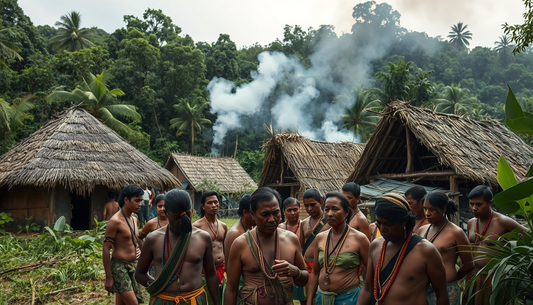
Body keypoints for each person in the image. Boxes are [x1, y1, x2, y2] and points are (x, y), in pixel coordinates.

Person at [356, 193, 449, 305]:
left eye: (388, 224)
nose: (382, 229)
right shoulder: (376, 246)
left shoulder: (426, 251)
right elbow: (367, 288)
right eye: (378, 223)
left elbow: (442, 295)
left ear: (404, 221)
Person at [135, 189, 221, 305]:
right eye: (176, 217)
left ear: (191, 211)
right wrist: (159, 284)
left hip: (194, 300)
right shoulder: (153, 239)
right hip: (163, 300)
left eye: (187, 215)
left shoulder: (203, 238)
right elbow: (140, 274)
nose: (182, 222)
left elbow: (211, 274)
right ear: (166, 213)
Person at [225, 187, 309, 305]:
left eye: (276, 213)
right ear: (252, 214)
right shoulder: (241, 244)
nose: (271, 219)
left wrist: (295, 272)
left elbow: (303, 281)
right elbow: (231, 289)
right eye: (265, 214)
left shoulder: (291, 240)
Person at [463, 185, 529, 305]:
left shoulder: (502, 222)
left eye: (479, 204)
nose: (474, 208)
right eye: (471, 204)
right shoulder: (471, 223)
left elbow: (529, 236)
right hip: (474, 279)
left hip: (494, 280)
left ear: (490, 204)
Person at [307, 192, 370, 305]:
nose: (330, 214)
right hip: (322, 298)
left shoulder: (360, 239)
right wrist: (309, 300)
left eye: (335, 209)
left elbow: (370, 270)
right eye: (326, 209)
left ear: (346, 212)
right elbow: (316, 272)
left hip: (349, 298)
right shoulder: (320, 238)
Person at [415, 191, 474, 305]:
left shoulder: (456, 232)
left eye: (432, 209)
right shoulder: (422, 230)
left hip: (447, 288)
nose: (427, 213)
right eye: (425, 209)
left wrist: (453, 277)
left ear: (444, 209)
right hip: (423, 288)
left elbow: (469, 264)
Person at [103, 184, 145, 305]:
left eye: (141, 201)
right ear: (126, 200)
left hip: (133, 266)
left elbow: (134, 240)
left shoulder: (134, 219)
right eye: (136, 201)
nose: (140, 204)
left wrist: (139, 251)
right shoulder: (115, 221)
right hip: (119, 267)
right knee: (133, 303)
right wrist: (109, 277)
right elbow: (106, 249)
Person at [193, 191, 228, 303]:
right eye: (210, 203)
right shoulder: (196, 227)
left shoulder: (223, 226)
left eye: (216, 202)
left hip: (222, 269)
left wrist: (226, 271)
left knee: (223, 300)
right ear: (203, 206)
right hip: (206, 272)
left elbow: (225, 249)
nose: (213, 205)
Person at [224, 194, 256, 304]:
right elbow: (229, 268)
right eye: (253, 213)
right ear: (245, 212)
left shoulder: (250, 228)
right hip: (238, 286)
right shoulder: (236, 234)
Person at [278, 197, 304, 303]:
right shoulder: (279, 228)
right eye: (289, 210)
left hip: (301, 267)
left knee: (304, 299)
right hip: (284, 269)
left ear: (299, 209)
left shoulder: (305, 226)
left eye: (295, 209)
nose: (293, 213)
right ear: (284, 211)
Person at [300, 189, 329, 281]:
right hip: (307, 266)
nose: (309, 208)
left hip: (324, 266)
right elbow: (301, 247)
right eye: (306, 206)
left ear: (321, 202)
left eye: (313, 205)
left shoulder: (329, 222)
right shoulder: (304, 223)